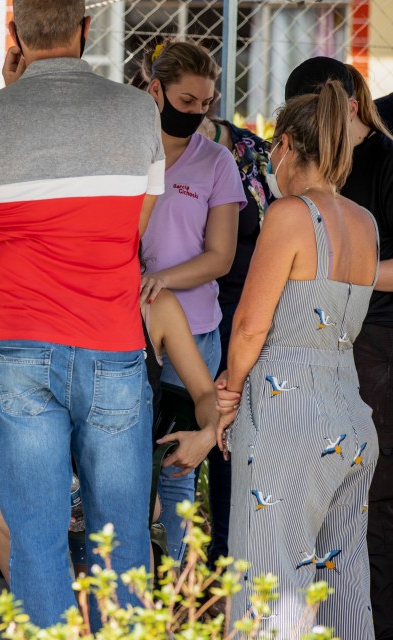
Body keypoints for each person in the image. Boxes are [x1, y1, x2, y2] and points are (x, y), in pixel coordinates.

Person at [0, 0, 165, 626]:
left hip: (17, 345)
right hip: (112, 344)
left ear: (15, 34)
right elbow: (136, 227)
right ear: (87, 30)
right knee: (120, 540)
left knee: (36, 534)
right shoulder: (136, 111)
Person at [216, 79, 378, 638]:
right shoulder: (365, 223)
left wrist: (229, 396)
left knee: (269, 592)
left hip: (289, 420)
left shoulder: (289, 214)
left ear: (284, 145)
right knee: (340, 593)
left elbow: (249, 326)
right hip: (350, 419)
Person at [0, 282, 221, 584]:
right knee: (2, 508)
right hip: (58, 466)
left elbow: (205, 393)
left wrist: (208, 433)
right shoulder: (50, 293)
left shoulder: (154, 306)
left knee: (119, 518)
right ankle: (51, 621)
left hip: (122, 473)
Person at [284, 57, 393, 639]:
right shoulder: (329, 173)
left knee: (371, 504)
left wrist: (337, 271)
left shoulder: (383, 156)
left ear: (349, 105)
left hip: (375, 344)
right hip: (332, 352)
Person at [133, 40, 245, 562]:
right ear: (154, 91)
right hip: (126, 323)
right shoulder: (126, 149)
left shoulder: (217, 161)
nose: (198, 114)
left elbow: (221, 256)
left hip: (195, 332)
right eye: (185, 102)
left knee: (177, 467)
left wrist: (162, 279)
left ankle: (175, 590)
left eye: (206, 104)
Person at [196, 100, 274, 568]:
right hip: (174, 303)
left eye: (197, 101)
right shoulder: (153, 147)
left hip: (238, 305)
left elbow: (275, 226)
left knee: (226, 426)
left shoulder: (250, 153)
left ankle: (223, 555)